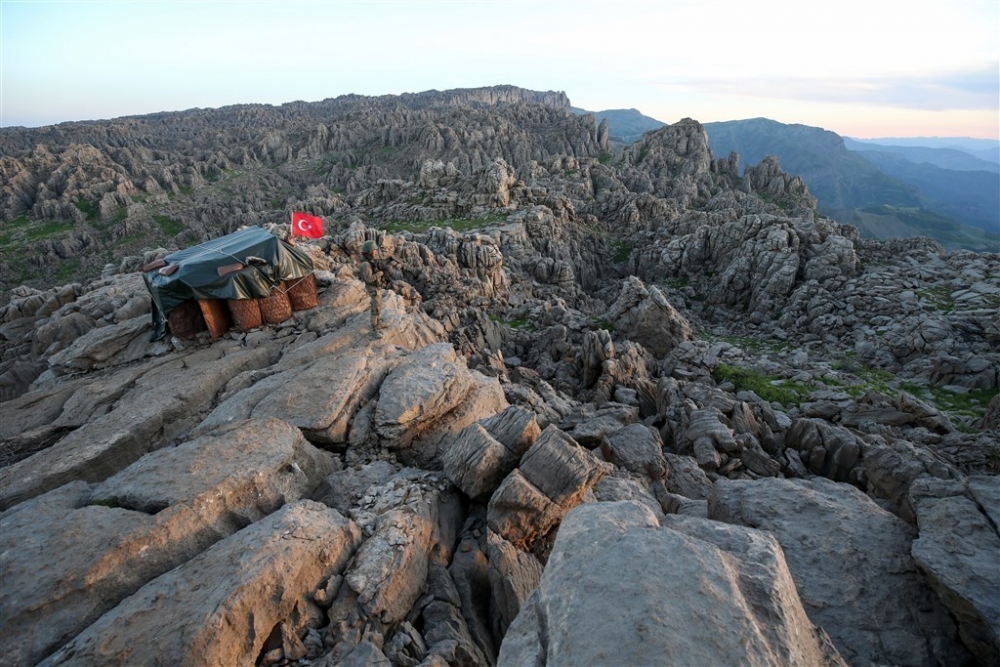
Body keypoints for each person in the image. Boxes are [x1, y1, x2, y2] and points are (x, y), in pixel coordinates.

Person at [360, 238, 390, 337]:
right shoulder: (365, 264)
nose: (375, 252)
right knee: (375, 308)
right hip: (372, 288)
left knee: (379, 306)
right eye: (374, 250)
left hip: (376, 287)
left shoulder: (370, 261)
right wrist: (379, 274)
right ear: (369, 252)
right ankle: (374, 329)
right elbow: (368, 279)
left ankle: (378, 323)